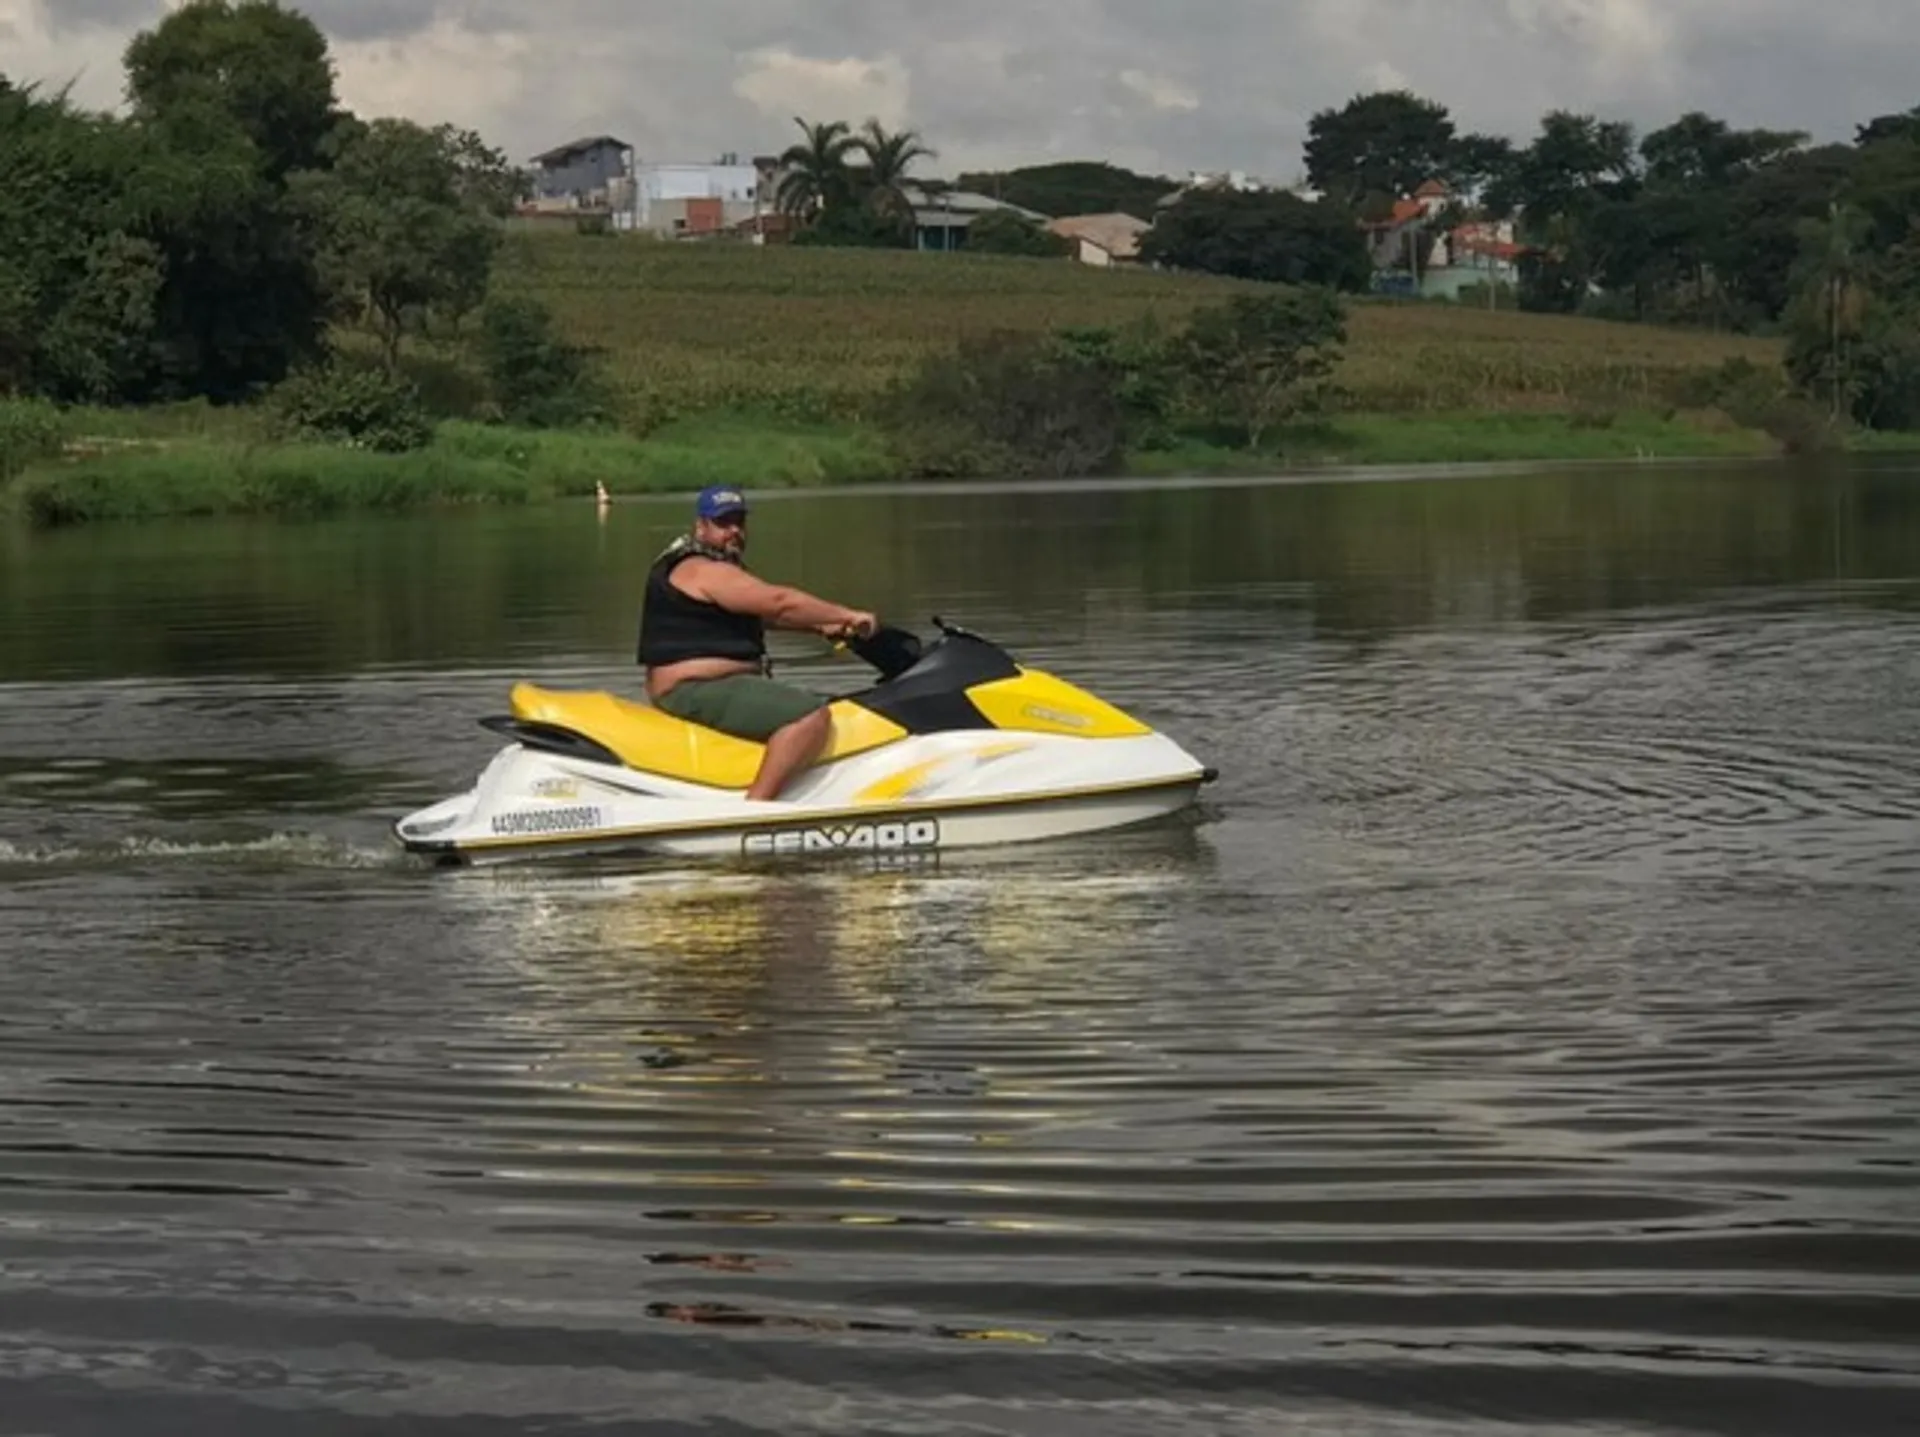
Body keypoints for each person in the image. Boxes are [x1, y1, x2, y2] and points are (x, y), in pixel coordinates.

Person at [638, 485, 878, 801]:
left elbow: (763, 617)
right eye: (724, 523)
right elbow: (778, 602)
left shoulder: (712, 568)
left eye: (739, 521)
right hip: (694, 690)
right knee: (808, 715)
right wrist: (847, 615)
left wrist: (822, 626)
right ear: (701, 527)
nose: (734, 531)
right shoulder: (700, 568)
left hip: (709, 687)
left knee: (840, 706)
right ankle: (756, 811)